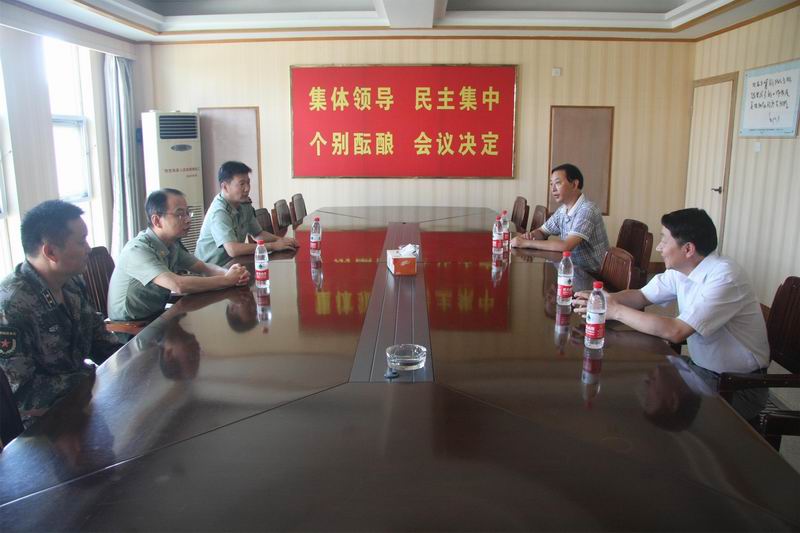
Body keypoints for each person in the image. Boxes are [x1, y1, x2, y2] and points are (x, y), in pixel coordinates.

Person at [574, 208, 770, 421]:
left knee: (640, 391)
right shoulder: (682, 269)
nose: (659, 247)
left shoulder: (725, 277)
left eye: (664, 240)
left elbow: (676, 331)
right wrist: (604, 299)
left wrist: (616, 311)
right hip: (701, 370)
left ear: (688, 249)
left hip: (738, 386)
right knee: (634, 374)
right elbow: (641, 296)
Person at [0, 200, 122, 427]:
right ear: (51, 251)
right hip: (43, 425)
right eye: (81, 241)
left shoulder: (72, 283)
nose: (88, 249)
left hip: (84, 399)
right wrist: (90, 380)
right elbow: (22, 392)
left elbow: (102, 343)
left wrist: (137, 361)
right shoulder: (11, 305)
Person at [107, 188, 250, 321]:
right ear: (157, 220)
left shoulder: (172, 244)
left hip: (156, 316)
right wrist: (227, 280)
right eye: (180, 214)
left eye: (188, 213)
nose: (188, 219)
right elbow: (178, 285)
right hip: (131, 326)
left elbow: (203, 267)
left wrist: (233, 274)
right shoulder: (138, 250)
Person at [195, 161, 298, 266]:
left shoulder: (244, 204)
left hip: (233, 264)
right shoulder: (219, 212)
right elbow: (233, 249)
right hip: (210, 270)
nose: (247, 188)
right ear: (225, 187)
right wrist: (273, 246)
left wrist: (281, 240)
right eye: (242, 184)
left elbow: (258, 234)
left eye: (248, 183)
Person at [510, 163, 609, 272]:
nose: (553, 189)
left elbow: (565, 246)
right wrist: (530, 236)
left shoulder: (587, 210)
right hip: (570, 268)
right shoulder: (562, 210)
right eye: (551, 184)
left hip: (591, 274)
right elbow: (543, 232)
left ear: (574, 184)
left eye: (557, 183)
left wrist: (525, 243)